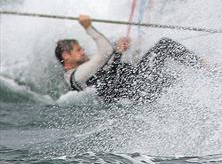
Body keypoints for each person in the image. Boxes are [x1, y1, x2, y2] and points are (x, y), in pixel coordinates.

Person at [55, 14, 204, 102]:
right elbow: (105, 53)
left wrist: (119, 46)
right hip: (139, 87)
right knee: (164, 45)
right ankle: (205, 67)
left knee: (173, 79)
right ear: (66, 56)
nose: (83, 51)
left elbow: (107, 69)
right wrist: (88, 27)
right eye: (78, 50)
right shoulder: (77, 76)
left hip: (137, 85)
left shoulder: (82, 71)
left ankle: (203, 82)